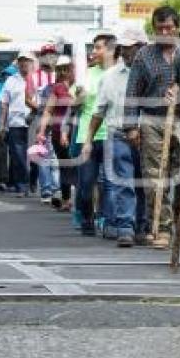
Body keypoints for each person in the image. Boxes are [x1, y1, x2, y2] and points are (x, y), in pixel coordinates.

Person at [124, 6, 180, 248]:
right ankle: (161, 227)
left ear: (177, 28)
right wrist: (131, 126)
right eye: (159, 28)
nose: (164, 32)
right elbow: (132, 93)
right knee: (154, 177)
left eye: (169, 27)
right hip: (152, 120)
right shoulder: (144, 56)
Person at [83, 27, 148, 247]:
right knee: (123, 182)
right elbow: (98, 111)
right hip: (118, 134)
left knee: (144, 184)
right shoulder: (110, 76)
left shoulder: (154, 72)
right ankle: (125, 227)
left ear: (143, 48)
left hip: (147, 135)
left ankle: (142, 225)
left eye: (133, 48)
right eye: (125, 48)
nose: (128, 53)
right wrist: (89, 139)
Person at [72, 32, 115, 236]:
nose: (94, 52)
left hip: (111, 135)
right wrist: (79, 96)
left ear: (110, 50)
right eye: (93, 48)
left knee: (110, 183)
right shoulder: (87, 74)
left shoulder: (120, 73)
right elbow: (75, 104)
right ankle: (87, 217)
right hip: (86, 137)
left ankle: (106, 219)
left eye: (98, 47)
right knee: (86, 183)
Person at [36, 56, 76, 211]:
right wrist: (41, 131)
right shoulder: (57, 89)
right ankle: (66, 199)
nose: (64, 72)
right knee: (64, 165)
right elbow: (48, 111)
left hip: (78, 132)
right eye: (61, 69)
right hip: (59, 132)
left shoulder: (80, 86)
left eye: (67, 68)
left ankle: (83, 201)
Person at [0, 52, 38, 197]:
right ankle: (22, 186)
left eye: (26, 60)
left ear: (32, 62)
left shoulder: (37, 79)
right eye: (21, 61)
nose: (24, 63)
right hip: (15, 123)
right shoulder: (11, 81)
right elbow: (4, 104)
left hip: (34, 123)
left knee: (35, 156)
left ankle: (33, 180)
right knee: (18, 156)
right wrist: (2, 125)